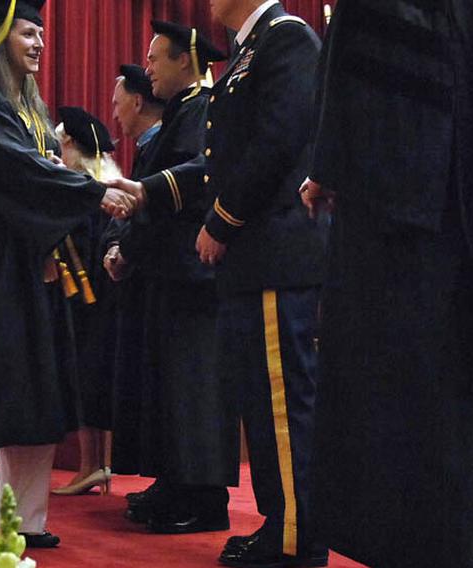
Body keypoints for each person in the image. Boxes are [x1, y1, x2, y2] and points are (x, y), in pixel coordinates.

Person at [301, 1, 473, 567]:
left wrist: (333, 162)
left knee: (396, 393)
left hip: (399, 199)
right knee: (446, 398)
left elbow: (361, 51)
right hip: (454, 200)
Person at [0, 0, 135, 548]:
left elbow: (40, 173)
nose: (38, 44)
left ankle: (25, 520)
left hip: (32, 270)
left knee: (34, 393)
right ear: (0, 36)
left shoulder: (27, 104)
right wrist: (95, 191)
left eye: (42, 35)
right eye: (28, 33)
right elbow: (21, 173)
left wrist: (81, 185)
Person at [190, 1, 326, 566]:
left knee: (282, 402)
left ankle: (298, 536)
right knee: (260, 400)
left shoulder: (286, 37)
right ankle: (280, 522)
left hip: (273, 248)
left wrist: (221, 220)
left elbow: (276, 140)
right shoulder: (250, 48)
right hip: (253, 257)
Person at [104, 20, 236, 535]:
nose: (149, 67)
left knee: (196, 388)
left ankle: (205, 498)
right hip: (169, 273)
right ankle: (177, 482)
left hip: (193, 276)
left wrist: (142, 192)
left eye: (157, 58)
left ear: (187, 61)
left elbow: (199, 180)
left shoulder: (203, 108)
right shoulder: (183, 110)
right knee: (172, 388)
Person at [50, 106, 122, 495]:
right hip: (106, 298)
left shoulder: (83, 191)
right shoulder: (112, 184)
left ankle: (90, 463)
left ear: (74, 145)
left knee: (87, 377)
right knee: (97, 377)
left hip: (87, 300)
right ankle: (101, 463)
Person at [102, 64, 163, 484]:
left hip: (161, 280)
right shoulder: (146, 146)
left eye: (117, 102)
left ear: (138, 101)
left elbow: (149, 216)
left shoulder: (161, 144)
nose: (114, 113)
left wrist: (123, 253)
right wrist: (114, 247)